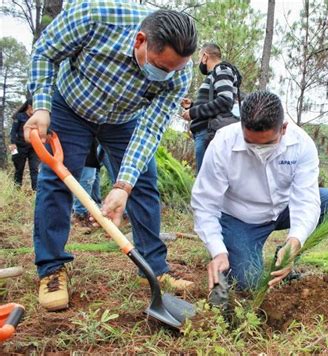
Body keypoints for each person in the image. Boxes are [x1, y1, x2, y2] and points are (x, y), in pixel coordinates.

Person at [24, 1, 197, 311]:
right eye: (160, 67)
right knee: (58, 180)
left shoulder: (178, 75)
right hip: (71, 106)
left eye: (175, 69)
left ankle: (154, 268)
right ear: (140, 41)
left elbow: (150, 130)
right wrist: (41, 107)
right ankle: (51, 269)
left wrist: (123, 186)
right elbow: (45, 52)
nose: (167, 75)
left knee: (144, 182)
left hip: (124, 120)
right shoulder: (94, 15)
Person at [191, 91, 328, 291]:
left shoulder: (301, 144)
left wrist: (295, 240)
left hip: (282, 208)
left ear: (283, 129)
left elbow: (306, 199)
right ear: (242, 127)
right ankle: (238, 249)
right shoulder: (223, 143)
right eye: (250, 142)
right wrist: (218, 251)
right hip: (241, 218)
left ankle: (284, 255)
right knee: (248, 284)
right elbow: (205, 202)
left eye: (267, 143)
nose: (258, 149)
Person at [181, 43, 241, 172]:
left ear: (205, 57)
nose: (198, 62)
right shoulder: (215, 74)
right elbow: (215, 102)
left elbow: (225, 101)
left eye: (199, 58)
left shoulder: (222, 70)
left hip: (208, 133)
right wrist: (192, 105)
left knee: (206, 184)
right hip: (205, 133)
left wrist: (193, 112)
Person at [9, 98, 40, 191]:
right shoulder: (19, 116)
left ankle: (36, 190)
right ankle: (17, 189)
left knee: (34, 169)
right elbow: (13, 131)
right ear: (29, 107)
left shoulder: (36, 119)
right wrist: (13, 143)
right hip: (19, 146)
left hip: (33, 147)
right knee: (19, 168)